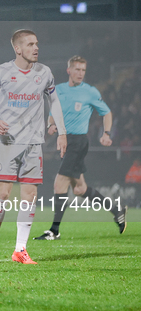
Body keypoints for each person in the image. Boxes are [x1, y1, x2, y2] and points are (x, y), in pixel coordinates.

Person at [0, 29, 67, 265]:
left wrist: (62, 131)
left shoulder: (44, 72)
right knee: (3, 193)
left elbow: (54, 101)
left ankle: (20, 250)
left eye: (36, 44)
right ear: (17, 49)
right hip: (8, 141)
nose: (35, 48)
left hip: (34, 142)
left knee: (30, 195)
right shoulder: (1, 72)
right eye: (29, 44)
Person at [34, 55, 127, 240]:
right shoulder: (58, 90)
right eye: (77, 69)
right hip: (65, 141)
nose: (80, 73)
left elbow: (107, 112)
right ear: (69, 70)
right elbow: (53, 112)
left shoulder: (90, 92)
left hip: (77, 142)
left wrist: (106, 133)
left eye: (83, 70)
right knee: (80, 189)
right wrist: (50, 125)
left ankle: (54, 230)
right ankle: (117, 210)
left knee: (59, 183)